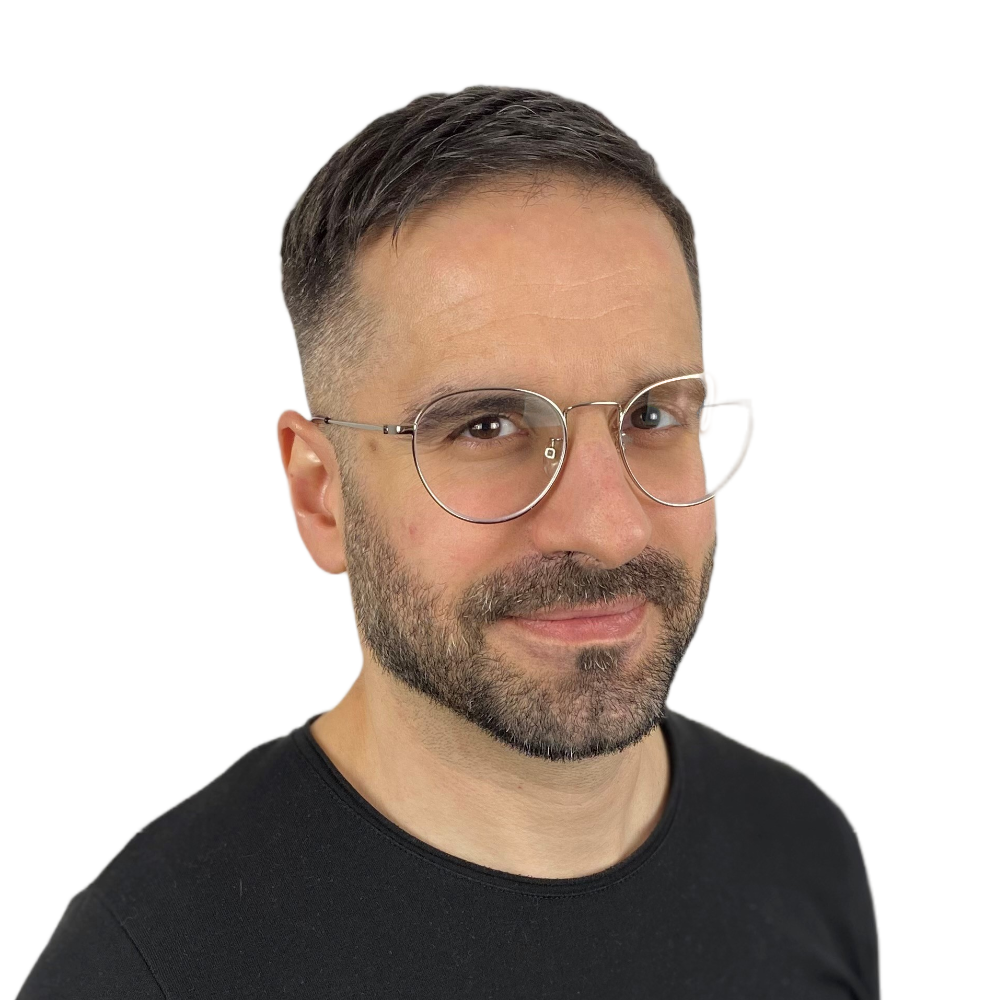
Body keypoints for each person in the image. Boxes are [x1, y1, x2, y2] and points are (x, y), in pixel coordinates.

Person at [15, 84, 881, 998]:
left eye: (653, 415)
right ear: (320, 494)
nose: (608, 527)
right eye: (485, 427)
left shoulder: (804, 849)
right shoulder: (147, 970)